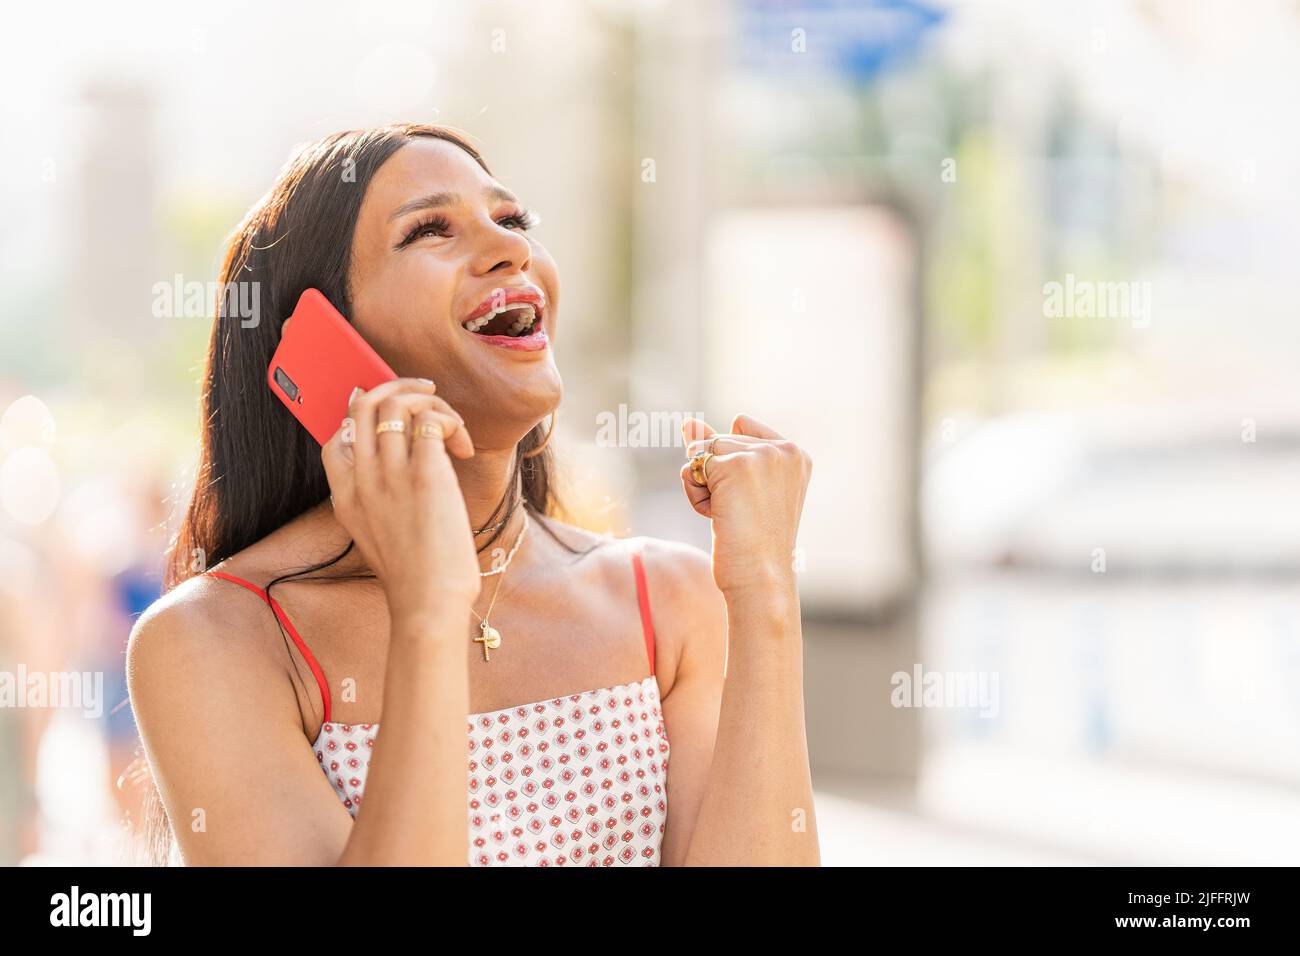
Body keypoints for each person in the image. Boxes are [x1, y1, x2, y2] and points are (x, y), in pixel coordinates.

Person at [127, 123, 818, 866]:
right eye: (430, 229)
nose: (511, 247)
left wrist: (765, 592)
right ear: (322, 337)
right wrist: (428, 603)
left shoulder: (671, 602)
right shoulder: (214, 640)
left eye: (512, 220)